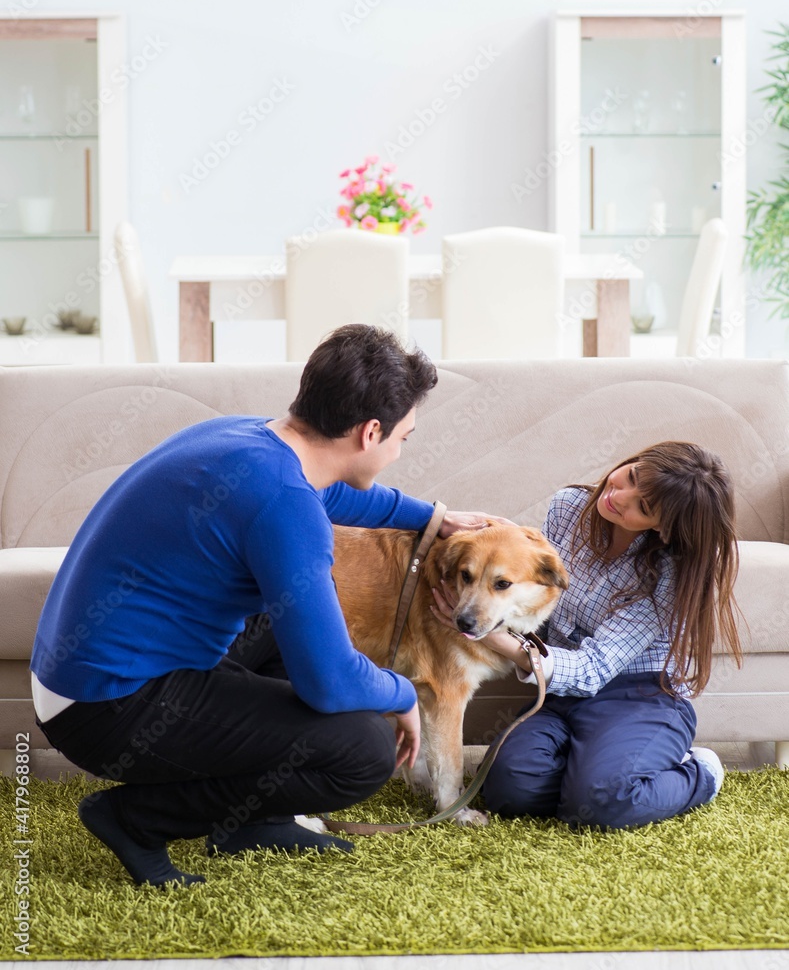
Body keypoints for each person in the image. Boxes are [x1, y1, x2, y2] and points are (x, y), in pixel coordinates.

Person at [30, 324, 506, 888]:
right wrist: (403, 693)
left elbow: (334, 492)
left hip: (75, 678)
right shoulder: (284, 504)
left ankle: (254, 822)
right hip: (106, 708)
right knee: (363, 750)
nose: (401, 450)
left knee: (299, 619)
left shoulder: (250, 439)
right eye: (404, 437)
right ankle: (134, 820)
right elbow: (327, 682)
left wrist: (432, 519)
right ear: (370, 432)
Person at [432, 441, 743, 831]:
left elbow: (594, 669)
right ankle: (594, 767)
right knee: (508, 792)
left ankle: (700, 773)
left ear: (663, 528)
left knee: (602, 803)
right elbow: (535, 590)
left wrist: (489, 635)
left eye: (642, 506)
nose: (619, 495)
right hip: (562, 695)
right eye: (631, 476)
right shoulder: (568, 508)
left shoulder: (671, 572)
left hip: (638, 696)